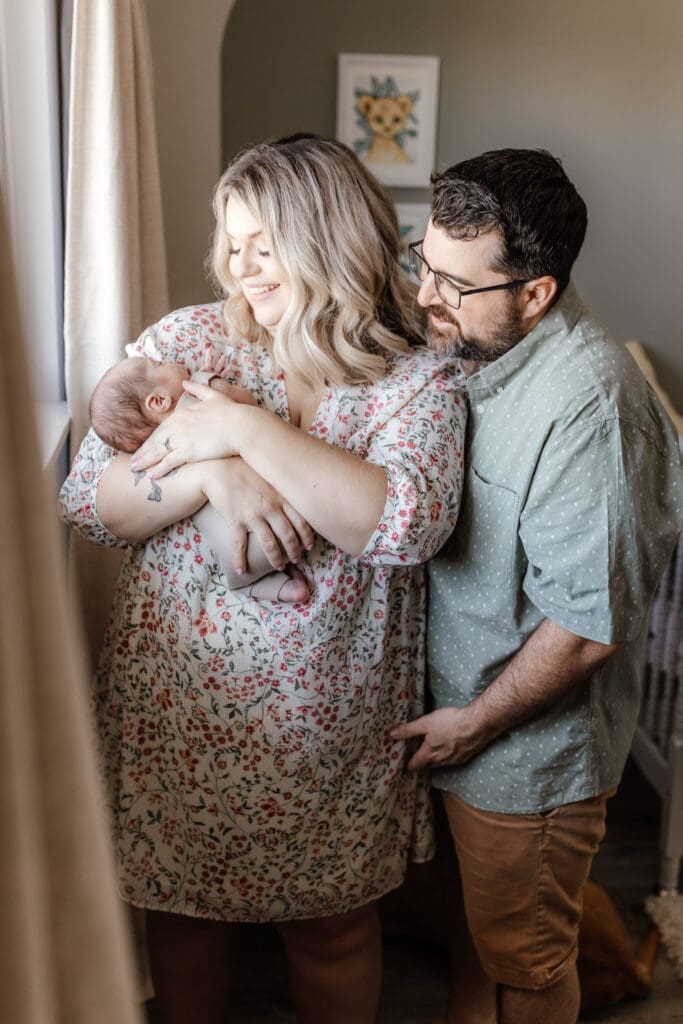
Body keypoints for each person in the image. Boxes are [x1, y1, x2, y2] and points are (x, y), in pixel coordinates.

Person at [59, 134, 466, 1024]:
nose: (239, 266)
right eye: (231, 243)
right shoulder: (186, 343)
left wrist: (245, 433)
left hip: (332, 715)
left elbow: (405, 522)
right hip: (181, 711)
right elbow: (91, 503)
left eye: (262, 243)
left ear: (329, 238)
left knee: (333, 930)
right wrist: (212, 476)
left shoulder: (414, 377)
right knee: (185, 922)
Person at [390, 147, 683, 1024]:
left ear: (535, 294)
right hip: (458, 721)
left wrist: (474, 723)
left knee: (527, 963)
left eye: (454, 284)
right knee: (474, 938)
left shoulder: (592, 409)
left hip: (522, 756)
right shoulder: (477, 347)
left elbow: (587, 627)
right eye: (423, 263)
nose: (425, 295)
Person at [89, 352, 309, 601]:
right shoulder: (201, 392)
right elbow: (246, 403)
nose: (170, 361)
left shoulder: (154, 453)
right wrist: (213, 382)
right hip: (287, 514)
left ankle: (285, 588)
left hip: (239, 557)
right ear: (159, 401)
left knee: (235, 569)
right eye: (159, 364)